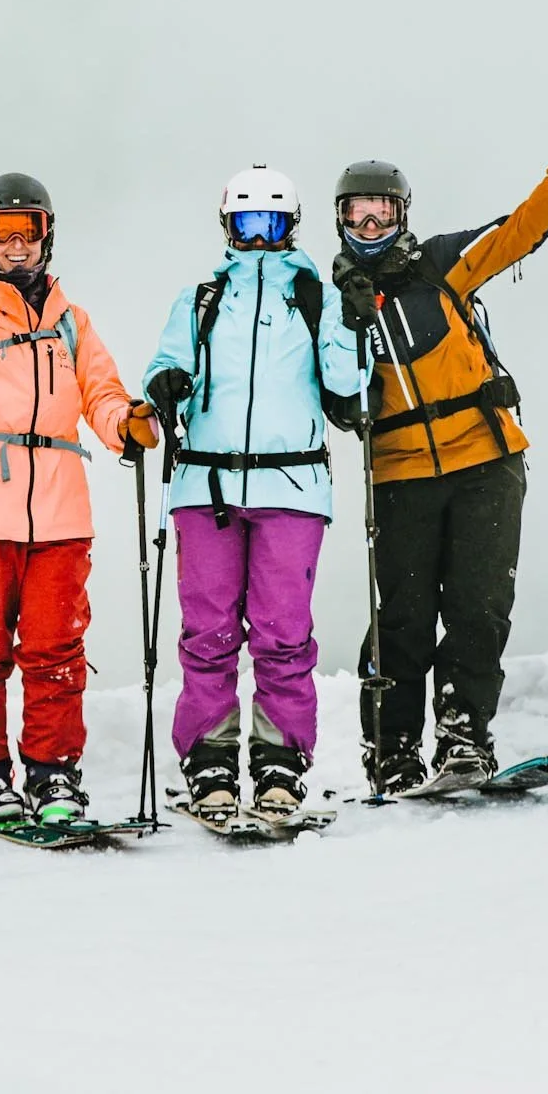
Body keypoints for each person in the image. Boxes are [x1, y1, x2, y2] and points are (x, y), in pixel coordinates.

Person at [329, 100, 548, 792]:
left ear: (403, 214)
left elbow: (521, 228)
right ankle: (393, 748)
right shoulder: (335, 302)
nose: (370, 227)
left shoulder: (441, 264)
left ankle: (464, 734)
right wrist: (346, 322)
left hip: (486, 463)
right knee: (401, 618)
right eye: (357, 215)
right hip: (400, 475)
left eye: (382, 213)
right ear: (339, 220)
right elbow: (329, 391)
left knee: (479, 608)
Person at [0, 173, 154, 824]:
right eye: (4, 230)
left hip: (59, 514)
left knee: (56, 650)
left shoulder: (71, 322)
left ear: (47, 235)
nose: (17, 243)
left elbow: (101, 391)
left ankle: (54, 774)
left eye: (30, 228)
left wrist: (124, 424)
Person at [140, 167, 361, 819]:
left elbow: (346, 383)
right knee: (207, 629)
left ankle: (279, 761)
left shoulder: (317, 297)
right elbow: (165, 362)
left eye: (271, 224)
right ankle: (209, 758)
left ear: (290, 227)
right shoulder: (200, 300)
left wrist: (353, 317)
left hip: (292, 484)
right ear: (228, 226)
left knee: (282, 631)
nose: (258, 237)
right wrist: (165, 382)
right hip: (205, 482)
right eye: (246, 223)